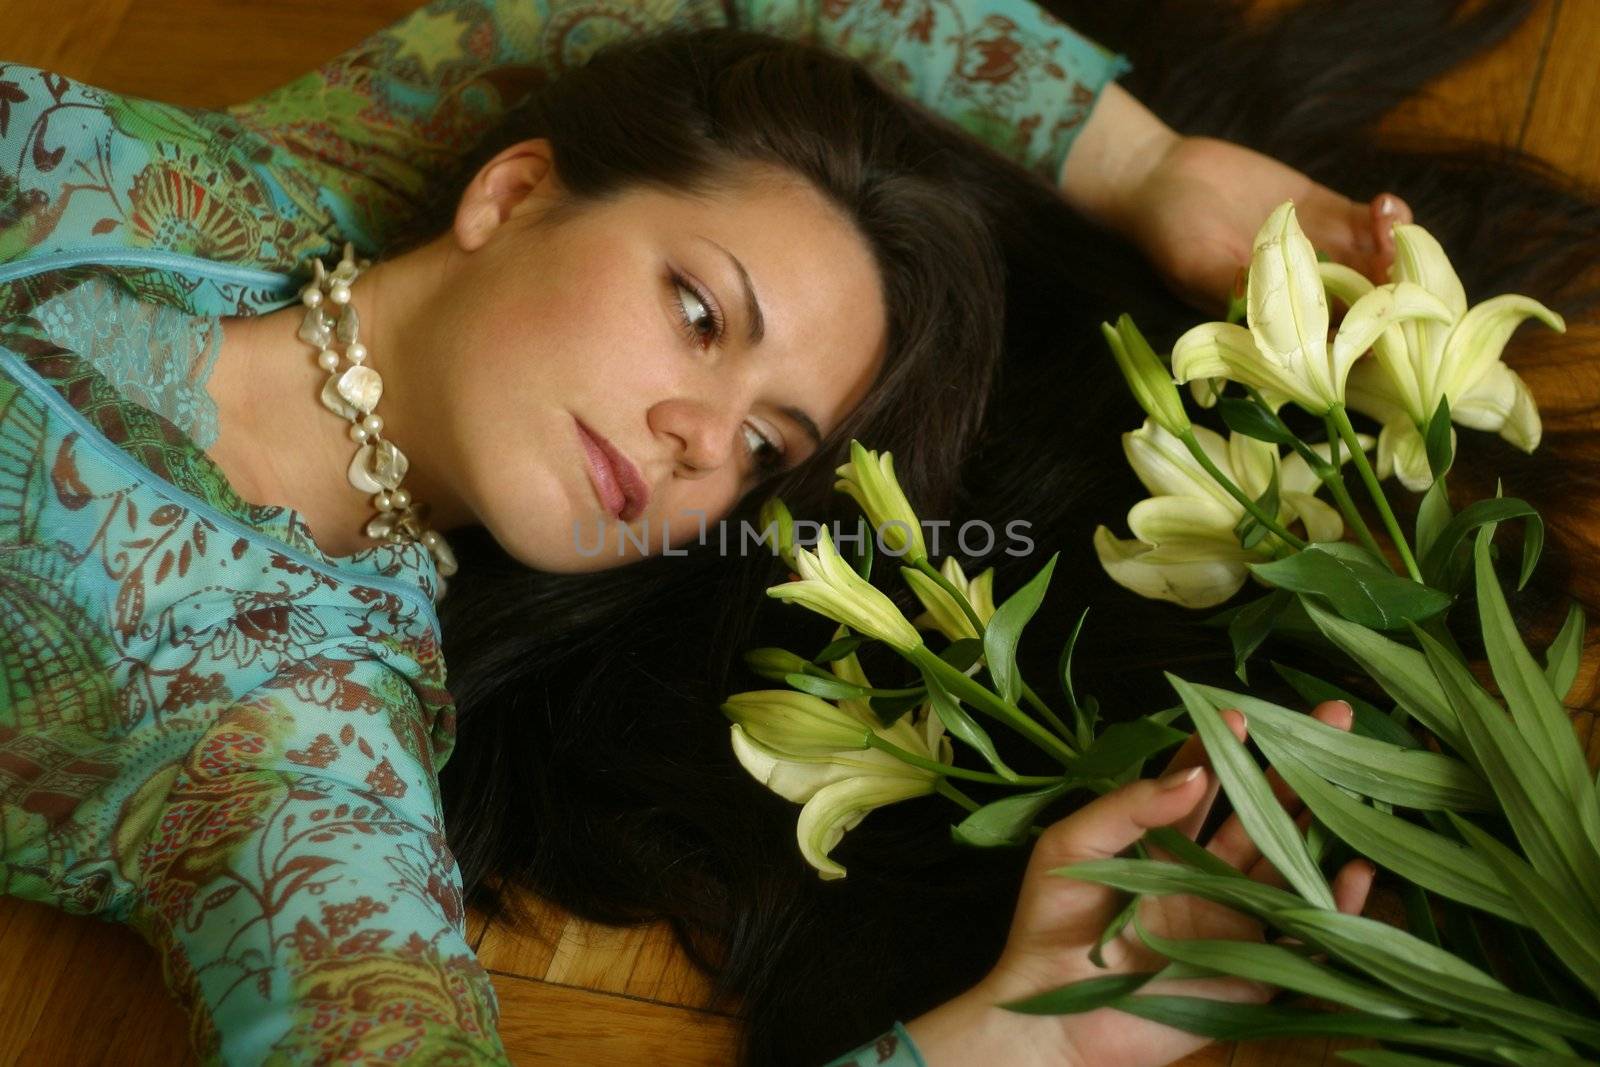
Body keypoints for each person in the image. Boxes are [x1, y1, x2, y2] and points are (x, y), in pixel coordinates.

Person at [4, 0, 1593, 1065]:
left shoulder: (291, 735)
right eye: (699, 311)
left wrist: (1014, 1041)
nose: (706, 443)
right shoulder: (328, 159)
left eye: (770, 451)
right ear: (512, 189)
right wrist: (1144, 165)